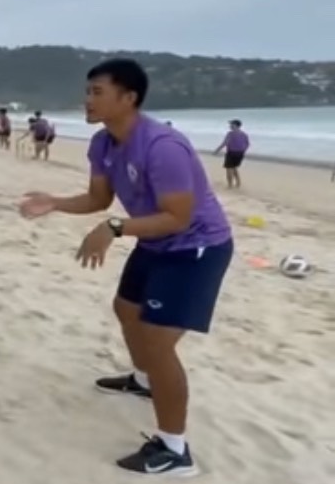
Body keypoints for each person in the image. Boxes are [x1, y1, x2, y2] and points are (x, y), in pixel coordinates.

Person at [19, 58, 232, 477]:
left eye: (97, 92)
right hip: (154, 239)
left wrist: (115, 228)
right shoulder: (102, 144)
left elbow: (179, 217)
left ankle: (175, 450)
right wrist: (57, 202)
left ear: (128, 98)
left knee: (157, 341)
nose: (88, 100)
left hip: (197, 246)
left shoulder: (162, 146)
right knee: (125, 308)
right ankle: (143, 380)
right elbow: (98, 198)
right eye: (88, 91)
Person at [213, 119, 249, 189]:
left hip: (231, 153)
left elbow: (225, 143)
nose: (230, 126)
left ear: (236, 125)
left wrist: (217, 151)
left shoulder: (230, 134)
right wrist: (243, 151)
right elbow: (247, 144)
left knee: (229, 169)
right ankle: (238, 183)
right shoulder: (244, 134)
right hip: (240, 154)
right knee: (234, 167)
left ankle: (230, 185)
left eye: (232, 124)